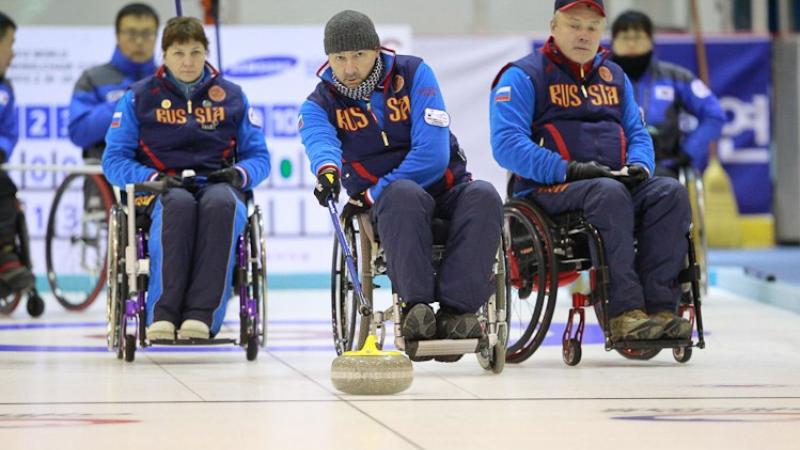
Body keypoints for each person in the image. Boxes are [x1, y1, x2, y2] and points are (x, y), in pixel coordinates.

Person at [299, 10, 503, 361]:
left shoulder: (413, 73)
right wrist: (327, 172)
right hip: (392, 204)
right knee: (403, 195)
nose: (349, 68)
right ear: (328, 59)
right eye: (339, 58)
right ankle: (417, 309)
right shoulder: (320, 103)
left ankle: (459, 313)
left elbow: (433, 155)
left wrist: (371, 192)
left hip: (445, 186)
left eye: (358, 56)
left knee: (485, 195)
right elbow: (320, 141)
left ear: (376, 50)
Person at [490, 0, 692, 341]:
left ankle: (661, 309)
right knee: (608, 193)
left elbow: (638, 133)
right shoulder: (523, 76)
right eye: (574, 24)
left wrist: (641, 166)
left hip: (608, 182)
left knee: (669, 192)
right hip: (546, 189)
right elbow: (507, 146)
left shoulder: (614, 76)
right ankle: (624, 312)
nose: (583, 34)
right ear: (554, 27)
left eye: (592, 27)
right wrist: (568, 169)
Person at [103, 17, 271, 340]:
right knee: (177, 205)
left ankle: (202, 314)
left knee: (222, 204)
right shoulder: (139, 98)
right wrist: (150, 177)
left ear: (206, 52)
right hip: (160, 189)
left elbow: (260, 157)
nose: (188, 61)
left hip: (217, 184)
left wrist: (239, 174)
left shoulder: (232, 97)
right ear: (164, 55)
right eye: (179, 53)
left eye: (196, 52)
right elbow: (113, 160)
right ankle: (162, 314)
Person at [611, 10, 725, 177]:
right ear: (613, 41)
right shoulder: (600, 77)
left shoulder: (676, 77)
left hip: (661, 166)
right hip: (610, 165)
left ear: (651, 41)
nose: (631, 44)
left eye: (638, 37)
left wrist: (688, 152)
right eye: (624, 38)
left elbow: (714, 114)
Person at [69, 3, 160, 161]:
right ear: (117, 36)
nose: (139, 41)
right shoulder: (92, 78)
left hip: (162, 170)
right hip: (108, 172)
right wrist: (127, 102)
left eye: (147, 34)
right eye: (131, 34)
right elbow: (79, 133)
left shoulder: (167, 79)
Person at [0, 12, 35, 299]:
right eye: (10, 44)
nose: (12, 54)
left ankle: (6, 255)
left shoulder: (6, 90)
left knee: (5, 187)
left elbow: (10, 132)